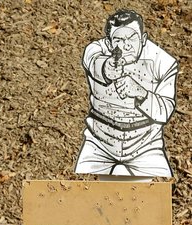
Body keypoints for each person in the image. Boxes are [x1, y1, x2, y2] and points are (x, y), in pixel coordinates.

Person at [75, 9, 178, 177]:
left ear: (143, 39)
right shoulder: (96, 50)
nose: (127, 45)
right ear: (109, 44)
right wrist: (106, 68)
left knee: (158, 195)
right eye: (119, 39)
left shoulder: (163, 63)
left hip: (145, 144)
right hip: (100, 141)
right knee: (79, 193)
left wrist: (141, 93)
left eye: (132, 38)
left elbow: (165, 111)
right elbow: (92, 59)